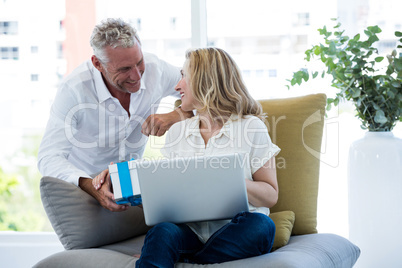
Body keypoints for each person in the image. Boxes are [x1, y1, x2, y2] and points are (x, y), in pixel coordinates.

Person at [94, 47, 281, 266]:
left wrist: (229, 178)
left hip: (237, 228)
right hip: (190, 233)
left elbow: (270, 195)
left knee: (261, 227)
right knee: (163, 231)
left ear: (204, 81)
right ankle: (182, 255)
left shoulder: (251, 128)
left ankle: (183, 259)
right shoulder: (177, 132)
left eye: (184, 76)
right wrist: (125, 182)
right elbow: (165, 200)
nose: (177, 85)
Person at [37, 18, 193, 212]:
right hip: (85, 189)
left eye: (139, 62)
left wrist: (176, 115)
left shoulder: (156, 69)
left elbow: (207, 94)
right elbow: (48, 158)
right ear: (98, 64)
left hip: (133, 186)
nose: (137, 76)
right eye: (124, 69)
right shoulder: (74, 90)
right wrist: (91, 185)